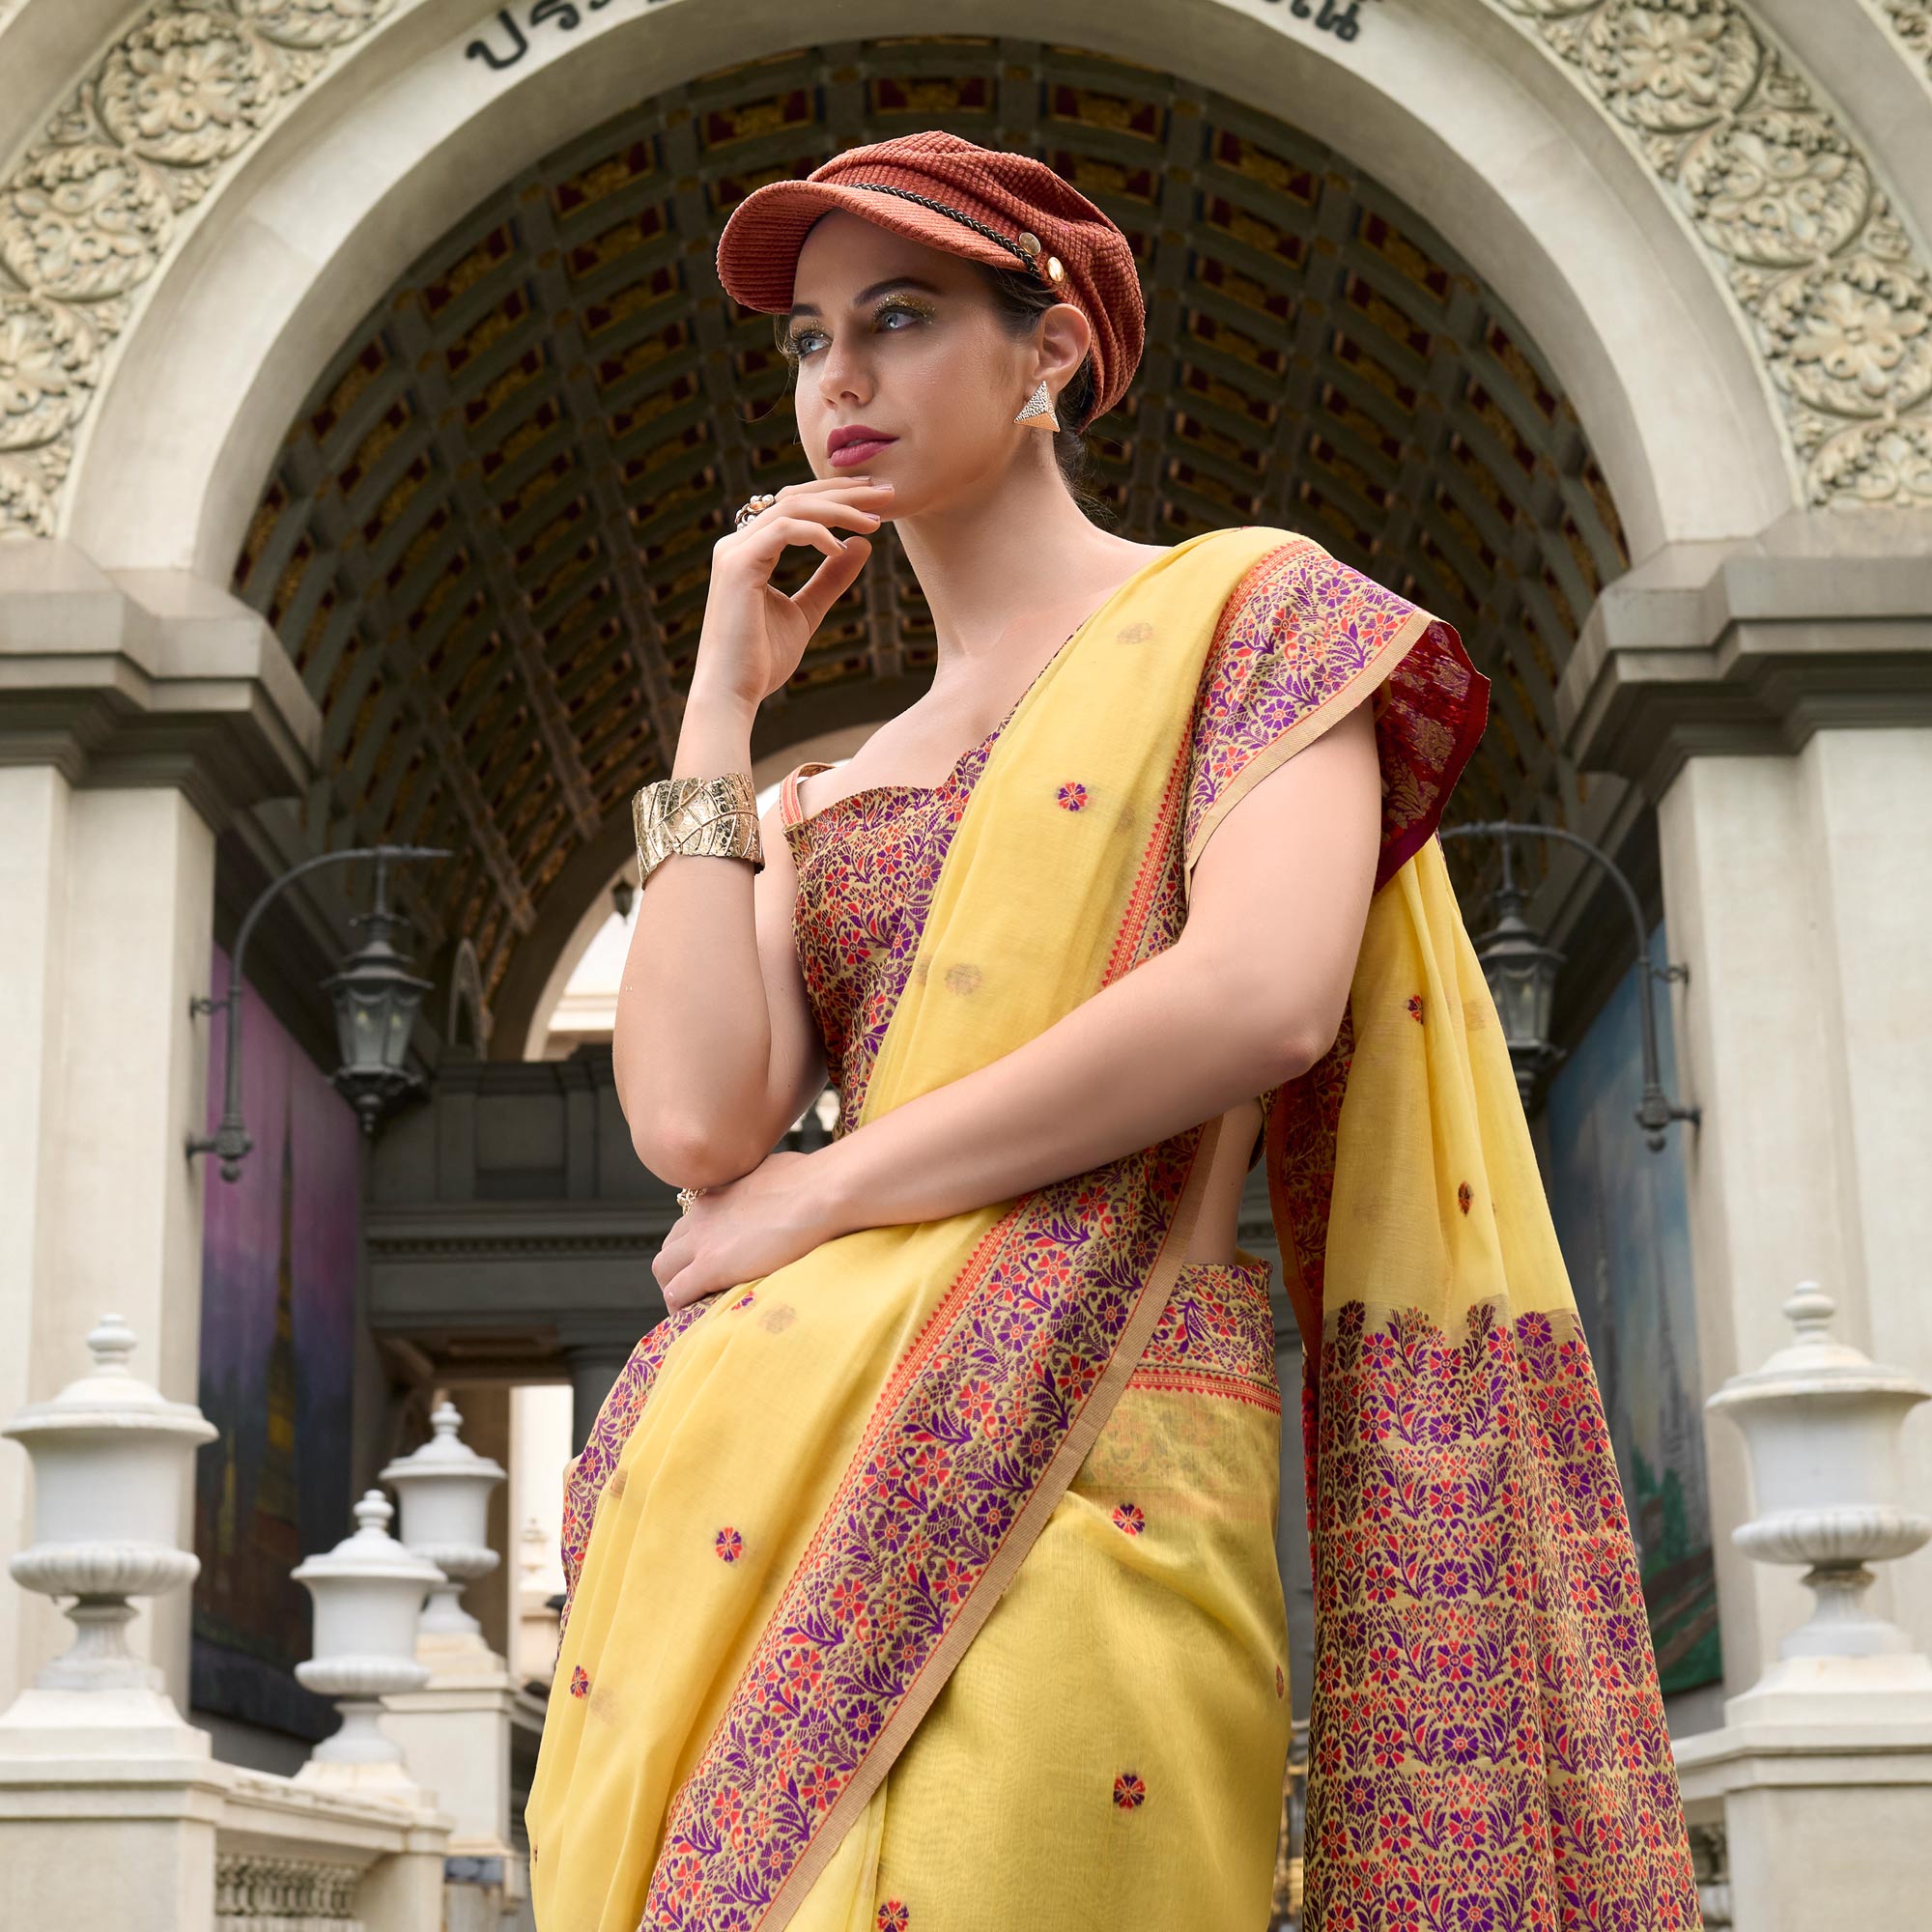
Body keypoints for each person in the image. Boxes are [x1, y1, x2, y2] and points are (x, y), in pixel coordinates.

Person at [524, 130, 1701, 1932]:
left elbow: (1258, 995)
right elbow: (695, 1129)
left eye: (900, 319)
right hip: (764, 1469)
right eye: (809, 339)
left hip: (1110, 1426)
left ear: (1051, 348)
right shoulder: (825, 791)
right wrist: (718, 702)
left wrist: (828, 1201)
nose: (839, 377)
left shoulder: (1255, 616)